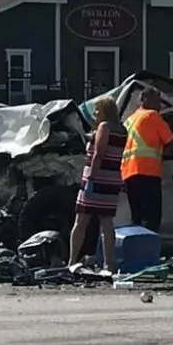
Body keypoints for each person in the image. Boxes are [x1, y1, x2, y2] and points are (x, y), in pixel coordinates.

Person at [68, 95, 124, 272]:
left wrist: (91, 175)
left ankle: (71, 261)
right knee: (107, 222)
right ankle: (109, 263)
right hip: (112, 180)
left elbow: (99, 153)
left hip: (96, 180)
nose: (95, 113)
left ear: (105, 111)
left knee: (81, 221)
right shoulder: (122, 129)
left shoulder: (104, 127)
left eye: (97, 109)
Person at [120, 85, 173, 235]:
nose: (159, 105)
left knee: (137, 217)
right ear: (145, 99)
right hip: (147, 172)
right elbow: (171, 142)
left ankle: (136, 252)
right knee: (152, 217)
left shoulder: (129, 120)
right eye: (157, 100)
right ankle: (148, 252)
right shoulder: (152, 115)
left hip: (128, 173)